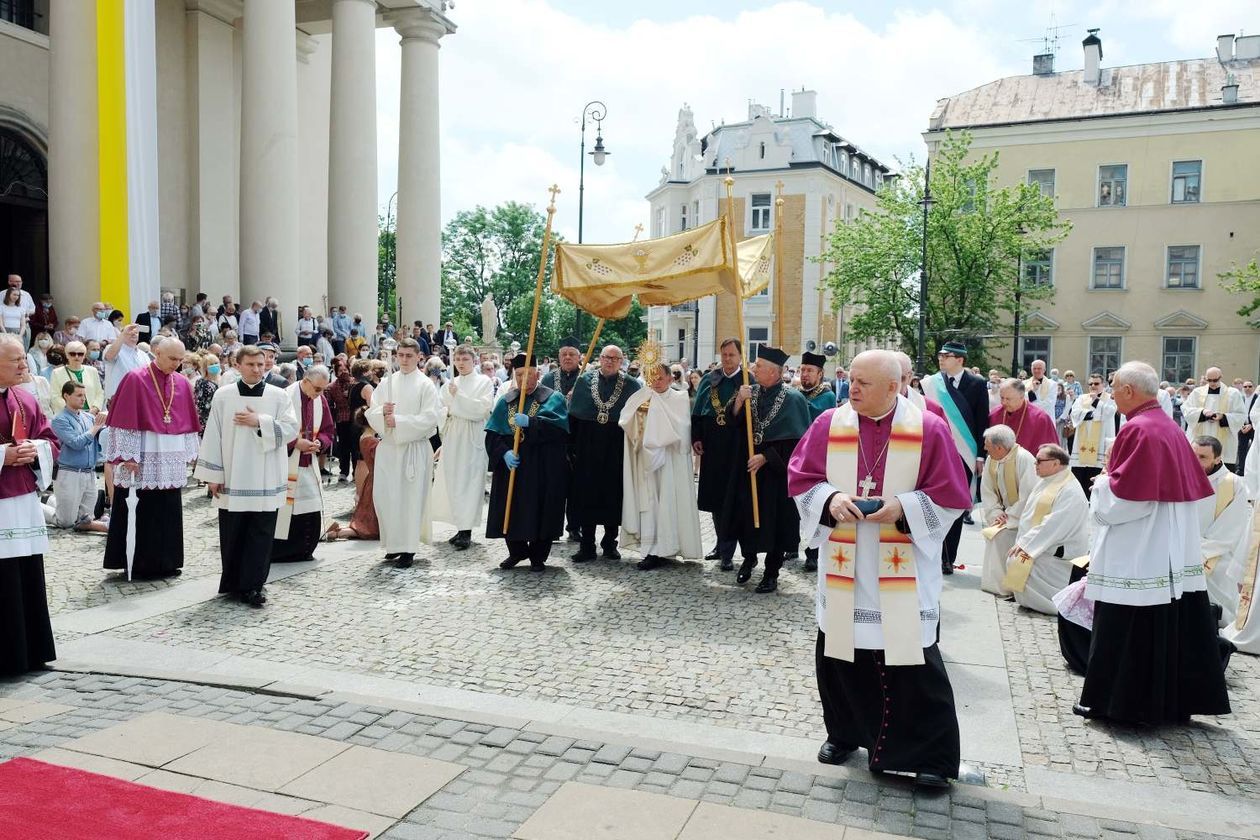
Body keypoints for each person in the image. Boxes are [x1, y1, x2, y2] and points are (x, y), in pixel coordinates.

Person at [787, 349, 972, 787]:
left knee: (912, 659)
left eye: (864, 383)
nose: (853, 388)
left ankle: (930, 758)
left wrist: (903, 507)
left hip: (899, 563)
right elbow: (801, 477)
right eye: (852, 379)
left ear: (894, 387)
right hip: (845, 563)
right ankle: (845, 732)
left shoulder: (928, 429)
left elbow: (951, 495)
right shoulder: (829, 424)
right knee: (840, 653)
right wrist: (830, 501)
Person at [1075, 361, 1230, 725]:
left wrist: (1099, 486)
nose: (1111, 394)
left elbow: (1125, 502)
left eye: (1114, 388)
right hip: (1169, 545)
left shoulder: (1138, 430)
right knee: (1162, 623)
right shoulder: (1170, 427)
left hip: (1140, 547)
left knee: (1126, 625)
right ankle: (1167, 703)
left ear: (1129, 391)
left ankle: (1119, 703)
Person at [195, 346, 300, 606]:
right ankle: (232, 582)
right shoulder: (224, 395)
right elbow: (213, 436)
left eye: (261, 364)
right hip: (233, 475)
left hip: (266, 476)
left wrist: (260, 421)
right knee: (233, 531)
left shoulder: (278, 395)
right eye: (251, 364)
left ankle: (254, 586)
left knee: (261, 533)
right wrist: (212, 474)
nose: (257, 369)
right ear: (237, 365)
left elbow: (290, 429)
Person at [102, 339, 200, 580]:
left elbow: (188, 422)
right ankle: (138, 563)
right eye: (171, 359)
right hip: (143, 454)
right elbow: (125, 419)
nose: (176, 365)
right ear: (157, 353)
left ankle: (167, 561)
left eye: (180, 360)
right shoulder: (136, 378)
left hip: (171, 457)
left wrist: (189, 454)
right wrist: (129, 456)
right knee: (141, 511)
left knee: (168, 509)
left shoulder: (182, 383)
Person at [722, 345, 812, 593]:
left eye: (758, 366)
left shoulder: (794, 399)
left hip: (775, 473)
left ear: (773, 372)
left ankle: (771, 572)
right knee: (745, 517)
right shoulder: (750, 392)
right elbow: (732, 421)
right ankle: (748, 559)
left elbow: (799, 443)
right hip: (748, 466)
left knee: (776, 523)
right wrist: (739, 400)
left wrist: (767, 457)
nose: (753, 369)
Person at [0, 335, 57, 674]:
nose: (25, 365)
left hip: (21, 499)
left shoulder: (24, 398)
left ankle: (29, 650)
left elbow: (49, 438)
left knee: (25, 572)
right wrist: (2, 455)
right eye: (16, 360)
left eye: (24, 359)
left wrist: (36, 450)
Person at [484, 353, 569, 570]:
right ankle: (517, 551)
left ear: (537, 374)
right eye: (519, 375)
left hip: (541, 466)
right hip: (513, 467)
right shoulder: (506, 400)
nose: (524, 379)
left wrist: (531, 422)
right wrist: (503, 452)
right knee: (510, 508)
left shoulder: (552, 398)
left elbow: (558, 431)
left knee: (541, 508)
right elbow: (493, 434)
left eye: (528, 374)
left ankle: (538, 556)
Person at [619, 358, 702, 570]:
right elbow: (626, 420)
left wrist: (655, 419)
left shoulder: (680, 398)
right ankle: (651, 550)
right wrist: (641, 417)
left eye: (660, 377)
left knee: (670, 502)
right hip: (647, 460)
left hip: (671, 459)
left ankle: (669, 546)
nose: (656, 381)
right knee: (651, 504)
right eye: (651, 377)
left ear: (670, 377)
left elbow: (682, 428)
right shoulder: (642, 397)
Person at [367, 337, 442, 568]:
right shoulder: (388, 382)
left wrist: (397, 420)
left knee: (409, 499)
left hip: (413, 449)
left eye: (409, 356)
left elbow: (431, 419)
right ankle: (393, 545)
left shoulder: (425, 385)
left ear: (419, 357)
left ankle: (408, 548)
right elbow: (372, 411)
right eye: (401, 355)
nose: (405, 360)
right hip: (389, 448)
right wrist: (382, 413)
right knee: (387, 497)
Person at [567, 344, 641, 563]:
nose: (610, 361)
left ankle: (610, 543)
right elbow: (574, 417)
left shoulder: (631, 384)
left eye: (615, 358)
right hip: (587, 447)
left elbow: (637, 418)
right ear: (600, 358)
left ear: (621, 361)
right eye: (607, 357)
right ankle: (586, 544)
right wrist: (570, 447)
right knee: (585, 496)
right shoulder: (584, 381)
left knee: (613, 495)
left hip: (616, 447)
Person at [920, 341, 988, 573]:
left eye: (946, 355)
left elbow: (982, 421)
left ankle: (948, 558)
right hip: (936, 452)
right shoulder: (931, 384)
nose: (941, 359)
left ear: (960, 359)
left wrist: (980, 455)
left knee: (956, 504)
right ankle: (931, 554)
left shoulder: (977, 384)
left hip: (964, 454)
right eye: (940, 355)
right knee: (933, 501)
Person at [1005, 443, 1089, 615]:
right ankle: (1027, 599)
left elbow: (1054, 524)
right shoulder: (1047, 481)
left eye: (1039, 461)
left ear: (1056, 464)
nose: (1035, 465)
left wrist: (1026, 544)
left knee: (1018, 560)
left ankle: (1056, 605)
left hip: (1058, 550)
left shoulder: (1070, 490)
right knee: (1014, 560)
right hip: (1044, 543)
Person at [268, 366, 334, 564]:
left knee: (309, 508)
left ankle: (305, 550)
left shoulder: (319, 400)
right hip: (286, 463)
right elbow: (272, 429)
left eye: (323, 389)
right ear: (305, 381)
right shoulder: (284, 397)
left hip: (308, 464)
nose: (320, 394)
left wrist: (319, 443)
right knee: (285, 509)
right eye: (317, 389)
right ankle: (281, 552)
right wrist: (295, 442)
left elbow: (328, 429)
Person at [431, 345, 494, 550]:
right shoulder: (451, 383)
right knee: (454, 481)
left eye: (465, 359)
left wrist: (459, 398)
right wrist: (448, 410)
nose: (460, 363)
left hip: (473, 435)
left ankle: (466, 531)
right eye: (457, 359)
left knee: (470, 481)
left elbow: (481, 409)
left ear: (474, 361)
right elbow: (441, 410)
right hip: (453, 435)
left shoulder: (484, 382)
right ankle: (459, 526)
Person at [692, 338, 744, 570]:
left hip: (736, 448)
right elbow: (697, 413)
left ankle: (728, 551)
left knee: (731, 500)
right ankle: (720, 543)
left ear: (740, 356)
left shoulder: (747, 381)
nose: (727, 359)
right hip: (712, 447)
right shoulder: (709, 379)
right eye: (724, 355)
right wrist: (696, 437)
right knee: (715, 499)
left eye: (732, 355)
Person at [1192, 436, 1249, 628]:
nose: (1195, 461)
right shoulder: (1180, 476)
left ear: (1218, 458)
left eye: (1202, 457)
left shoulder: (1234, 485)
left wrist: (1196, 550)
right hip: (1182, 550)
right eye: (1193, 455)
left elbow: (1231, 529)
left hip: (1217, 556)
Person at [978, 424, 1037, 598]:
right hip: (1003, 515)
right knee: (994, 533)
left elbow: (1029, 495)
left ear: (999, 447)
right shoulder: (992, 459)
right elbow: (987, 490)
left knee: (1001, 536)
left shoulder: (1025, 459)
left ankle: (1005, 586)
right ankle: (994, 583)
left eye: (987, 446)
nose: (984, 449)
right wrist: (996, 513)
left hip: (1022, 516)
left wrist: (1010, 516)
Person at [51, 381, 109, 533]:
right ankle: (40, 505)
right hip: (69, 473)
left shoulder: (88, 417)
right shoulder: (59, 420)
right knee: (65, 522)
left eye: (84, 395)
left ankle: (56, 503)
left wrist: (108, 417)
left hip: (89, 472)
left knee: (85, 519)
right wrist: (96, 427)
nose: (83, 399)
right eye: (78, 395)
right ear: (66, 396)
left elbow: (103, 435)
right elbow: (76, 443)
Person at [326, 408, 381, 540]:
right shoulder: (371, 440)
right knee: (370, 520)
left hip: (372, 478)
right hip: (376, 478)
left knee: (369, 514)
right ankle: (338, 533)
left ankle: (339, 532)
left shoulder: (365, 437)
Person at [1182, 368, 1247, 471]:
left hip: (1224, 443)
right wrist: (1202, 413)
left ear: (1220, 378)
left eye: (1215, 380)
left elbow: (1241, 415)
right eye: (1209, 380)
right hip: (1201, 437)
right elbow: (1186, 410)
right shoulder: (1197, 392)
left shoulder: (1233, 394)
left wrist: (1223, 417)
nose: (1212, 383)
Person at [1068, 373, 1116, 498]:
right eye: (1090, 384)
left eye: (1096, 383)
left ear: (1103, 385)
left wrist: (1095, 402)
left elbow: (1108, 413)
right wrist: (1092, 414)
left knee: (1096, 478)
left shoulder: (1110, 398)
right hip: (1081, 445)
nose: (1093, 386)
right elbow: (1075, 413)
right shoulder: (1081, 398)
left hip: (1100, 444)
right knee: (1079, 479)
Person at [990, 378, 1058, 454]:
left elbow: (1051, 453)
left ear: (1022, 397)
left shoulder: (1040, 418)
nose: (1003, 402)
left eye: (1008, 399)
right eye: (1002, 398)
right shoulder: (995, 414)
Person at [49, 341, 105, 414]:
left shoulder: (92, 371)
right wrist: (73, 411)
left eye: (80, 354)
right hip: (68, 415)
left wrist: (95, 408)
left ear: (84, 355)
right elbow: (55, 397)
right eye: (72, 354)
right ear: (66, 355)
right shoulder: (57, 373)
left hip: (91, 414)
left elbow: (99, 393)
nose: (76, 356)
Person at [797, 352, 837, 421]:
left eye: (810, 370)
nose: (804, 374)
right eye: (802, 370)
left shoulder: (828, 396)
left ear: (820, 374)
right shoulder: (796, 392)